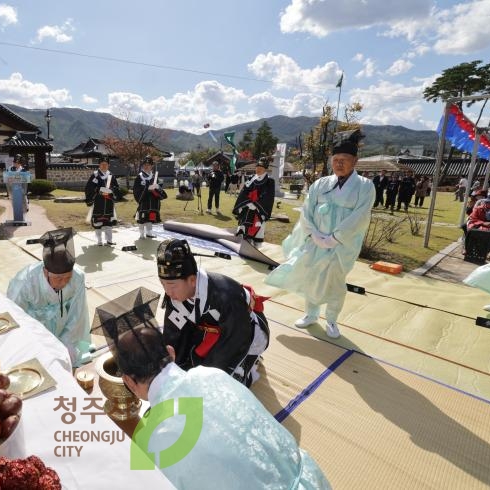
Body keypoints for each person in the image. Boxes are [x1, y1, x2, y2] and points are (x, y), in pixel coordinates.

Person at [106, 324, 331, 490]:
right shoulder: (212, 374)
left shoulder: (150, 437)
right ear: (171, 352)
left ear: (128, 381)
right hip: (311, 480)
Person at [265, 129, 375, 339]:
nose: (339, 164)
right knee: (312, 275)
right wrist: (314, 234)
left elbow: (360, 216)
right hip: (316, 240)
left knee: (334, 281)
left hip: (341, 244)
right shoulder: (320, 184)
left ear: (355, 161)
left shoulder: (365, 186)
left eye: (344, 159)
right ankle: (311, 314)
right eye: (336, 159)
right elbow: (307, 211)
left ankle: (332, 320)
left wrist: (334, 238)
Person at [157, 238, 269, 386]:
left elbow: (234, 342)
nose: (167, 291)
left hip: (245, 331)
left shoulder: (227, 295)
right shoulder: (177, 293)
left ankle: (251, 363)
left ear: (191, 280)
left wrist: (207, 379)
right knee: (183, 366)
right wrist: (169, 364)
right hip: (209, 329)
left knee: (223, 384)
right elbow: (173, 334)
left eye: (171, 285)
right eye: (162, 283)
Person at [6, 228, 91, 367]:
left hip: (64, 326)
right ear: (46, 272)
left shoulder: (77, 277)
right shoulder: (24, 281)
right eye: (58, 279)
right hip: (33, 329)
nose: (63, 283)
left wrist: (65, 345)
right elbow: (15, 317)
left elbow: (78, 315)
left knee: (67, 358)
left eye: (67, 277)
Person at [232, 157, 275, 244]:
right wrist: (246, 203)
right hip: (247, 207)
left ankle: (255, 248)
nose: (258, 169)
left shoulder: (270, 181)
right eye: (257, 167)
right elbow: (244, 191)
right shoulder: (251, 178)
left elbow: (269, 197)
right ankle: (243, 244)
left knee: (256, 230)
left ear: (265, 169)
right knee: (243, 228)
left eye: (261, 168)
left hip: (259, 210)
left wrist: (256, 204)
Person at [85, 156, 122, 246]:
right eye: (102, 164)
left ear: (108, 165)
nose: (104, 166)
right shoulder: (95, 175)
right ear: (99, 165)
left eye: (106, 164)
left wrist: (112, 190)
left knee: (108, 223)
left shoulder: (111, 175)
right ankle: (99, 241)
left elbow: (116, 187)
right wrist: (98, 190)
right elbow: (89, 188)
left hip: (109, 202)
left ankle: (109, 240)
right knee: (98, 223)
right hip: (98, 203)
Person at [133, 155, 167, 239]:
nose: (146, 166)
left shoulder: (154, 177)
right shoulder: (139, 177)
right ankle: (141, 234)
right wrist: (146, 188)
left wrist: (156, 188)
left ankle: (149, 233)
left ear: (152, 166)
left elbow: (159, 188)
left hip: (153, 201)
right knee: (142, 219)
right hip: (144, 201)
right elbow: (136, 190)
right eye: (145, 165)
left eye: (148, 165)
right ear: (142, 166)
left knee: (150, 219)